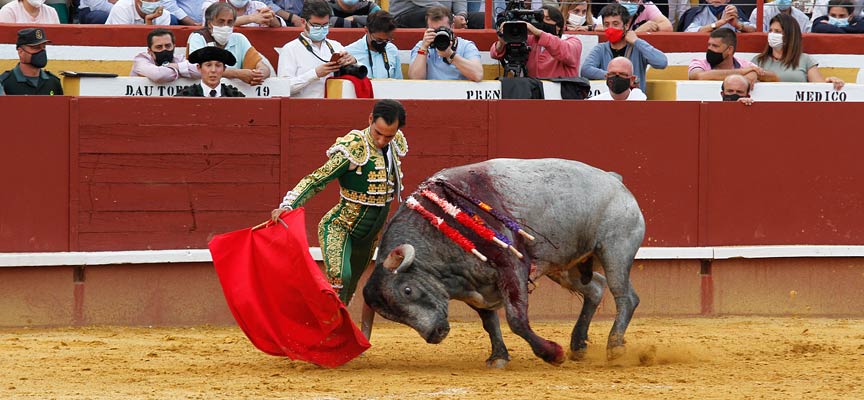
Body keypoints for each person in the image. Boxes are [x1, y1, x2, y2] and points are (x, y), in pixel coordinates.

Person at [270, 99, 408, 339]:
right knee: (340, 277)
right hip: (340, 226)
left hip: (369, 236)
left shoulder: (395, 144)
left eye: (388, 135)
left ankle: (331, 335)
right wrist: (289, 204)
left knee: (348, 288)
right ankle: (319, 331)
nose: (381, 140)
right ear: (370, 120)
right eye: (378, 133)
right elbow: (317, 178)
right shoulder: (353, 148)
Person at [277, 0, 360, 97]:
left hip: (333, 104)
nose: (321, 28)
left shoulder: (336, 46)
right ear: (303, 22)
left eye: (325, 25)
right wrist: (315, 74)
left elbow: (363, 75)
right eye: (316, 25)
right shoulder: (290, 49)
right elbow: (283, 88)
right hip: (303, 105)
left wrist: (354, 62)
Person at [581, 4, 667, 92]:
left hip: (635, 98)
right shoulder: (600, 49)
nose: (610, 28)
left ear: (626, 26)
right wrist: (614, 76)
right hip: (609, 97)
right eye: (606, 24)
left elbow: (662, 62)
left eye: (615, 24)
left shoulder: (638, 48)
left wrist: (637, 41)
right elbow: (586, 70)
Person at [189, 2, 274, 86]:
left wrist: (257, 75)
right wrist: (238, 74)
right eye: (221, 21)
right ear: (209, 23)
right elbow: (196, 69)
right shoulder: (198, 38)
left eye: (229, 22)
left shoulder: (240, 39)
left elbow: (263, 67)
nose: (225, 26)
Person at [752, 13, 845, 90]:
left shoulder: (805, 59)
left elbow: (820, 88)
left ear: (790, 35)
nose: (772, 34)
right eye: (770, 31)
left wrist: (830, 82)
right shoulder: (758, 61)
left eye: (777, 31)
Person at [490, 5, 581, 78]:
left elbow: (565, 51)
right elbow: (495, 54)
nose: (542, 22)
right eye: (539, 19)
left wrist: (538, 32)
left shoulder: (573, 41)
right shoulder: (530, 40)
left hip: (561, 92)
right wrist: (502, 42)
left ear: (558, 26)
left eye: (547, 19)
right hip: (534, 90)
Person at [407, 6, 483, 82]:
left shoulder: (466, 46)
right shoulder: (421, 46)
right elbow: (415, 79)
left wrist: (451, 55)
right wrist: (423, 49)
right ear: (427, 29)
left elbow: (478, 75)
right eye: (434, 30)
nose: (438, 33)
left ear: (452, 27)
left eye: (442, 29)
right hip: (430, 89)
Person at [688, 28, 777, 84]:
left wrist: (755, 74)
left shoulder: (745, 65)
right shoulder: (699, 63)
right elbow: (698, 76)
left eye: (715, 46)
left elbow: (773, 77)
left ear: (729, 50)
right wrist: (742, 73)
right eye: (709, 45)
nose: (709, 49)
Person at [0, 28, 63, 96]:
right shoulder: (5, 82)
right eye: (36, 48)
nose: (41, 51)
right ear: (21, 52)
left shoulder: (53, 82)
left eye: (44, 47)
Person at [345, 11, 402, 79]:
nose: (383, 43)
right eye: (379, 40)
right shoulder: (349, 52)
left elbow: (399, 80)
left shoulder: (392, 50)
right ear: (366, 30)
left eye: (387, 40)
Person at [131, 28, 201, 83]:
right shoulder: (141, 59)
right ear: (149, 51)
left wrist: (176, 66)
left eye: (168, 46)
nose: (164, 49)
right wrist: (183, 71)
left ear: (174, 46)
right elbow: (159, 75)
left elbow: (202, 71)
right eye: (159, 47)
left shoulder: (179, 59)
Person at [175, 46, 245, 96]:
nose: (213, 70)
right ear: (199, 68)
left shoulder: (235, 97)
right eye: (208, 65)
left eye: (218, 65)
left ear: (224, 69)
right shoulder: (185, 96)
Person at [390, 0, 483, 29]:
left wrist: (461, 16)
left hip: (446, 15)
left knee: (483, 19)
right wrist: (452, 18)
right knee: (431, 14)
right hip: (408, 14)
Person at [682, 0, 756, 32]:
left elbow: (753, 29)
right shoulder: (699, 12)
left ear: (728, 0)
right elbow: (689, 31)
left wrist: (737, 25)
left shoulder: (733, 10)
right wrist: (720, 23)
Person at [201, 0, 284, 27]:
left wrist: (271, 19)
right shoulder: (211, 4)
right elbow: (214, 22)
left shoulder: (259, 6)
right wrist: (251, 18)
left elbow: (280, 26)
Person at [105, 0, 172, 25]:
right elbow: (124, 41)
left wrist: (149, 20)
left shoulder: (164, 14)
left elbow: (158, 44)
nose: (153, 2)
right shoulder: (121, 8)